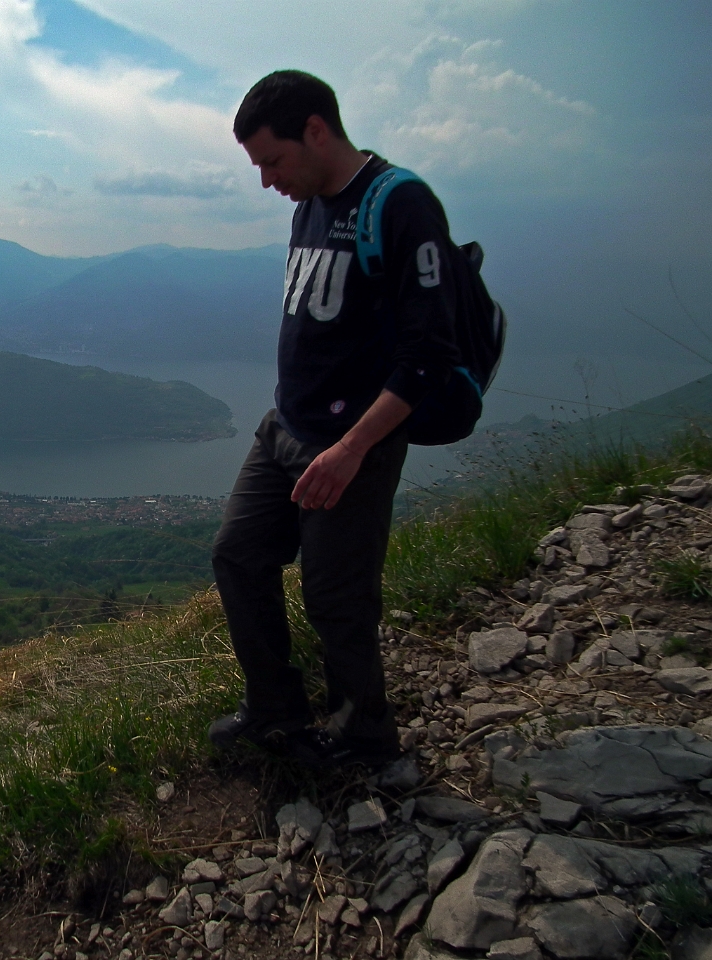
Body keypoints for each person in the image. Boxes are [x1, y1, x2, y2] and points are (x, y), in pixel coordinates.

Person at [208, 70, 460, 767]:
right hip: (285, 427)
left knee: (336, 596)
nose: (267, 181)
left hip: (351, 444)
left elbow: (427, 353)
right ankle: (275, 709)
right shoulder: (309, 206)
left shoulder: (399, 204)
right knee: (239, 554)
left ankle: (363, 736)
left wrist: (352, 448)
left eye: (272, 160)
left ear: (316, 130)